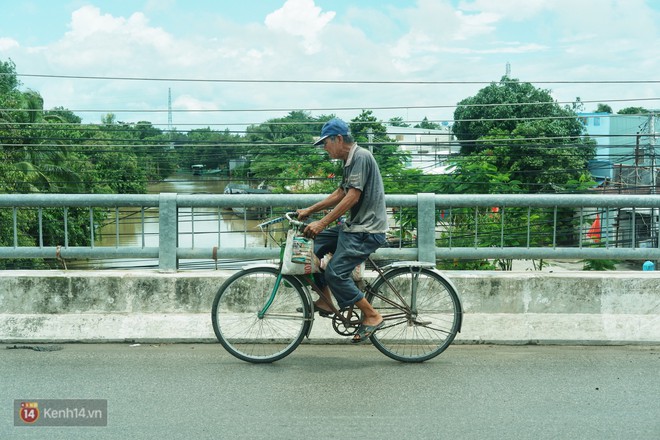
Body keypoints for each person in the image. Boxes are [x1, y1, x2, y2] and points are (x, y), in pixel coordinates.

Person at [296, 118, 389, 343]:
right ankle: (324, 299)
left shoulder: (361, 157)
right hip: (353, 228)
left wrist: (321, 223)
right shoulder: (349, 160)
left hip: (367, 230)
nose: (324, 148)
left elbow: (352, 196)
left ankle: (372, 315)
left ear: (338, 139)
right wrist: (311, 210)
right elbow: (340, 192)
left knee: (335, 273)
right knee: (310, 248)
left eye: (325, 143)